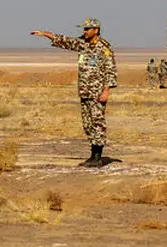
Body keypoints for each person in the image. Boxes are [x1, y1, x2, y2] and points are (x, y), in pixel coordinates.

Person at [31, 18, 117, 167]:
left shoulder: (104, 48)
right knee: (87, 124)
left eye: (87, 29)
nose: (84, 31)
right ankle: (92, 154)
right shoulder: (83, 43)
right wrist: (46, 34)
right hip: (84, 91)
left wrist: (106, 91)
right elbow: (65, 41)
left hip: (97, 93)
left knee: (98, 123)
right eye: (83, 29)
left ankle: (98, 156)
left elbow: (111, 71)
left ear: (96, 30)